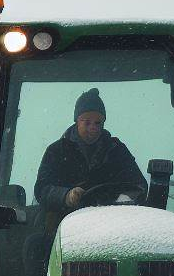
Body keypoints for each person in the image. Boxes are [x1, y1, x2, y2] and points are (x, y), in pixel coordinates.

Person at [34, 88, 146, 216]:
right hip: (62, 221)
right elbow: (41, 190)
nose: (93, 127)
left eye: (98, 123)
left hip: (111, 220)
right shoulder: (56, 151)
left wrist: (117, 199)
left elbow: (139, 186)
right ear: (77, 121)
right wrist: (66, 196)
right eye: (87, 122)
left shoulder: (117, 151)